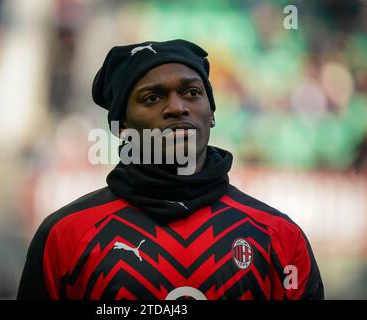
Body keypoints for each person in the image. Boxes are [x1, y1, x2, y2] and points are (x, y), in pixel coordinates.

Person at [17, 39, 324, 300]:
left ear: (212, 113)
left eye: (191, 93)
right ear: (121, 125)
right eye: (152, 97)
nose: (177, 107)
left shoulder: (278, 236)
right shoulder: (65, 235)